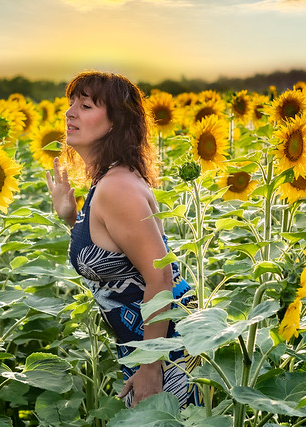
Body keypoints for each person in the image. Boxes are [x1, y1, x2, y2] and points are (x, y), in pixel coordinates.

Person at [46, 71, 201, 409]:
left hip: (169, 352)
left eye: (85, 105)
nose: (70, 113)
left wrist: (150, 366)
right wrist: (71, 217)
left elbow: (159, 275)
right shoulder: (109, 180)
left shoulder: (116, 188)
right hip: (151, 345)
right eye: (71, 103)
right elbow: (114, 259)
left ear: (116, 122)